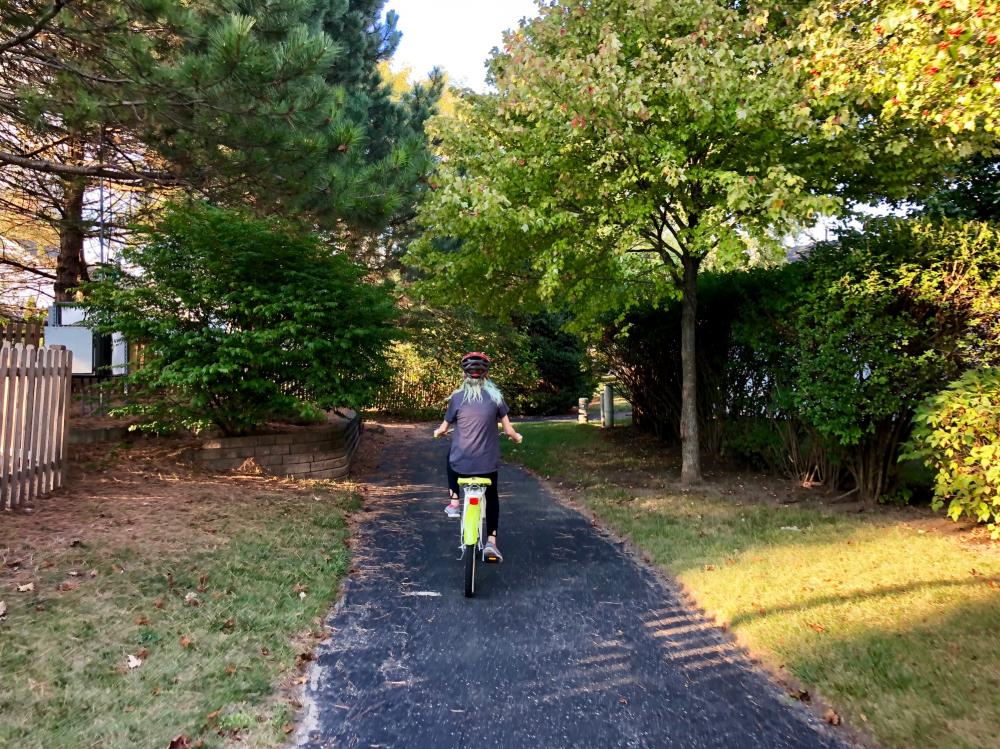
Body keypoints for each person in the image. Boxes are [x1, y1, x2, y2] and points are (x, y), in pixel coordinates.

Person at [433, 351, 522, 562]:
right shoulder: (496, 398)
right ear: (486, 375)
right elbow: (509, 431)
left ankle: (454, 501)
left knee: (450, 456)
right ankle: (492, 541)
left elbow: (444, 427)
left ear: (465, 375)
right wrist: (517, 437)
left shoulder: (456, 398)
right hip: (487, 464)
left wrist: (438, 432)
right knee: (492, 496)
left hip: (461, 463)